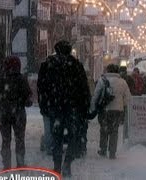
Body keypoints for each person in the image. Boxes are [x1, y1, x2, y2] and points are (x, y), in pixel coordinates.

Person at [38, 40, 90, 177]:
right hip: (72, 108)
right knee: (73, 137)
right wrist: (84, 107)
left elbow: (41, 88)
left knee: (57, 138)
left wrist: (44, 106)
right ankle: (67, 163)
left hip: (55, 107)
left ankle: (56, 166)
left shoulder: (48, 65)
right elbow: (84, 88)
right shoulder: (76, 65)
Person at [0, 56, 32, 170]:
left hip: (3, 114)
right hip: (18, 113)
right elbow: (27, 98)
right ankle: (20, 163)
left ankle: (6, 165)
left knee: (6, 140)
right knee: (19, 139)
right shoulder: (21, 79)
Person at [91, 64, 131, 159]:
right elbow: (128, 98)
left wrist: (93, 107)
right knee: (114, 130)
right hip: (117, 110)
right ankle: (112, 152)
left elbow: (96, 95)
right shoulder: (123, 82)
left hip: (104, 109)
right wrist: (122, 105)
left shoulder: (102, 80)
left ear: (108, 70)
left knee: (104, 129)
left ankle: (103, 149)